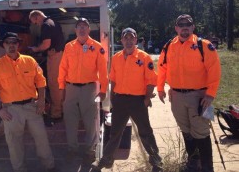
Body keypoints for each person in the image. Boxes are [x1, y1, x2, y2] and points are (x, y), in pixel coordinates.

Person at [91, 27, 163, 172]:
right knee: (115, 133)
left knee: (145, 132)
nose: (129, 41)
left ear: (136, 40)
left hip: (138, 101)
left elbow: (151, 80)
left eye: (132, 38)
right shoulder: (116, 58)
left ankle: (156, 161)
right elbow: (113, 80)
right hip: (120, 101)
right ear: (122, 40)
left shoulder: (144, 57)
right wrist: (113, 99)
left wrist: (147, 98)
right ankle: (106, 160)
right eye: (126, 38)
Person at [157, 14, 221, 172]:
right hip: (176, 96)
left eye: (188, 24)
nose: (184, 27)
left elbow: (215, 70)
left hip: (200, 97)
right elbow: (162, 67)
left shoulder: (204, 45)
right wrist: (160, 89)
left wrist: (210, 94)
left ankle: (207, 167)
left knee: (202, 132)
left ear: (193, 27)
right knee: (186, 130)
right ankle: (193, 164)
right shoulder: (169, 46)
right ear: (176, 28)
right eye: (181, 24)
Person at [0, 32, 56, 172]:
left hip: (32, 106)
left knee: (41, 139)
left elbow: (41, 81)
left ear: (18, 45)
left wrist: (41, 100)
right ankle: (20, 169)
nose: (11, 45)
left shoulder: (29, 61)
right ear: (3, 45)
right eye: (8, 43)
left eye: (14, 42)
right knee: (14, 143)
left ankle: (49, 167)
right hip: (11, 110)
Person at [58, 18, 108, 165]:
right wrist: (62, 88)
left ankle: (90, 151)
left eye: (84, 26)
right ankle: (72, 149)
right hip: (71, 88)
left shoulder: (97, 47)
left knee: (90, 121)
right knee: (70, 120)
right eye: (79, 26)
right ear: (75, 30)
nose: (81, 29)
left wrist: (103, 89)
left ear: (89, 30)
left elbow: (103, 71)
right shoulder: (69, 46)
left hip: (89, 88)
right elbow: (63, 68)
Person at [29, 10, 65, 122]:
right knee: (60, 85)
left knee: (54, 85)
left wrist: (36, 49)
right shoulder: (53, 22)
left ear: (37, 17)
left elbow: (46, 45)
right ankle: (62, 110)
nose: (36, 24)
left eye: (35, 22)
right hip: (59, 54)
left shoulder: (46, 25)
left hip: (54, 56)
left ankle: (56, 114)